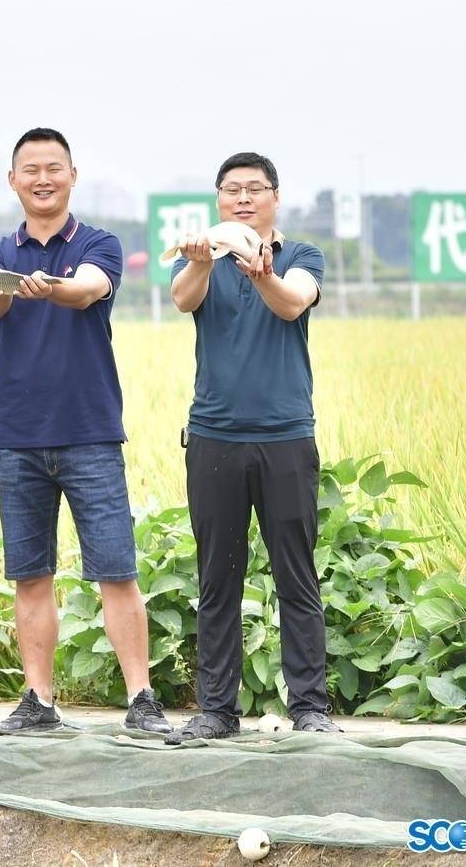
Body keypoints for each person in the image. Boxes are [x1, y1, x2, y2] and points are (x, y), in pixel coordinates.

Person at [0, 128, 172, 736]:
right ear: (13, 181)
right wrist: (6, 289)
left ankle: (141, 698)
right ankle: (38, 701)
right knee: (30, 574)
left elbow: (89, 290)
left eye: (53, 167)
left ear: (72, 175)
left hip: (90, 433)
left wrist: (50, 287)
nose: (42, 179)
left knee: (116, 569)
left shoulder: (98, 243)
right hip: (18, 437)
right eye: (30, 169)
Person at [166, 152, 338, 742]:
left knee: (297, 574)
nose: (243, 198)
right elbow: (183, 299)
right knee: (218, 578)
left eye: (255, 188)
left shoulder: (301, 257)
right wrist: (203, 262)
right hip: (213, 435)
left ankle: (310, 706)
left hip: (285, 436)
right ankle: (217, 710)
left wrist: (262, 274)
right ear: (218, 199)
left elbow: (292, 303)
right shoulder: (200, 255)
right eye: (232, 189)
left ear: (275, 197)